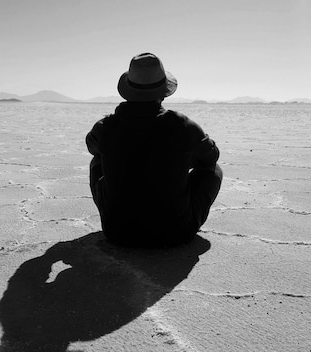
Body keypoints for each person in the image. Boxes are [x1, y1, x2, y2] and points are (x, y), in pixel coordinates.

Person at [86, 53, 223, 247]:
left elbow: (92, 148)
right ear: (162, 91)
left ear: (129, 91)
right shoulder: (183, 126)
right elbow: (211, 157)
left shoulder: (105, 127)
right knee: (213, 169)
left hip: (118, 233)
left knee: (97, 161)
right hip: (176, 233)